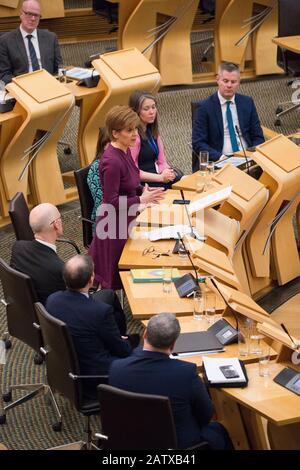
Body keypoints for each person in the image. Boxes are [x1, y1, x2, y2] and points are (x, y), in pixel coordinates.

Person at [109, 313, 233, 450]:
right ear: (174, 344)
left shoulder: (116, 368)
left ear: (145, 335)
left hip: (129, 440)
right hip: (177, 444)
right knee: (218, 430)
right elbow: (206, 415)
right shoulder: (186, 373)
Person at [10, 202, 128, 335]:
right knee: (109, 295)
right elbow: (77, 299)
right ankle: (120, 338)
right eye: (60, 218)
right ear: (56, 224)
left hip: (35, 313)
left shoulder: (18, 248)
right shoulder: (59, 269)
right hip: (64, 317)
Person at [89, 105, 164, 290]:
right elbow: (110, 202)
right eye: (129, 130)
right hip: (115, 227)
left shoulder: (126, 150)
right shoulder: (112, 161)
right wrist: (141, 200)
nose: (135, 135)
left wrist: (142, 191)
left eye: (135, 129)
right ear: (115, 133)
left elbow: (130, 181)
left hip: (128, 216)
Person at [46, 254, 133, 400]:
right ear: (91, 279)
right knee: (143, 352)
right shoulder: (100, 312)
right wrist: (123, 341)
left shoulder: (52, 300)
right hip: (95, 376)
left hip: (64, 367)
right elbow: (123, 351)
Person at [192, 62, 264, 171]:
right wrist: (221, 158)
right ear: (218, 80)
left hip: (246, 156)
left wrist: (251, 154)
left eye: (233, 82)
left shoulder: (247, 102)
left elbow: (258, 136)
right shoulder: (204, 107)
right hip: (220, 159)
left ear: (239, 82)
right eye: (225, 81)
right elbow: (198, 143)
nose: (229, 85)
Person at [129, 90, 183, 189]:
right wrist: (160, 178)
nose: (152, 112)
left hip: (158, 177)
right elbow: (133, 172)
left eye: (153, 107)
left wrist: (167, 172)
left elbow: (162, 161)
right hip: (144, 185)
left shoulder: (153, 131)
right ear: (136, 111)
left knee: (186, 180)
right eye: (146, 109)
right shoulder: (134, 137)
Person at [0, 0, 62, 84]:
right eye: (29, 14)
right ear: (21, 14)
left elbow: (59, 68)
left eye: (36, 15)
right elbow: (4, 74)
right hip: (22, 88)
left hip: (48, 85)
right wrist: (23, 86)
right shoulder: (5, 41)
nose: (33, 18)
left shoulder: (51, 38)